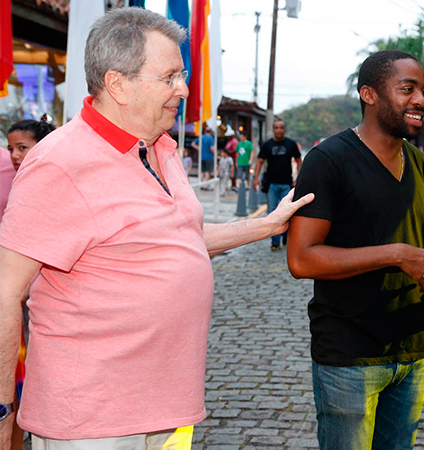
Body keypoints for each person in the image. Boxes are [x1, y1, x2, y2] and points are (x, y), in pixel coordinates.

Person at [0, 8, 313, 449]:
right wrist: (1, 409)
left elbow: (174, 242)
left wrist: (265, 226)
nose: (183, 89)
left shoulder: (160, 147)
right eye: (169, 77)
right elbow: (5, 291)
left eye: (181, 74)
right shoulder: (59, 163)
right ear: (117, 84)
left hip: (167, 408)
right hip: (94, 418)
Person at [287, 49, 424, 450]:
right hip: (350, 355)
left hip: (415, 349)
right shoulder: (328, 161)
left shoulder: (420, 163)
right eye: (408, 88)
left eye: (423, 89)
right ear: (369, 94)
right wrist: (395, 254)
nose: (421, 99)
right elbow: (301, 258)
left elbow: (415, 245)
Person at [4, 116, 55, 450]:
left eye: (23, 147)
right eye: (11, 148)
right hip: (14, 294)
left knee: (21, 379)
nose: (14, 155)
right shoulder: (16, 179)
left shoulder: (49, 180)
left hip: (33, 298)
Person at [253, 120, 302, 251]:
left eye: (281, 128)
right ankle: (275, 242)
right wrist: (255, 179)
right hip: (272, 185)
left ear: (284, 129)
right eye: (276, 128)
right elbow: (259, 161)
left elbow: (299, 160)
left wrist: (299, 178)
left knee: (287, 213)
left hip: (287, 184)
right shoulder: (267, 145)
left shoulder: (291, 144)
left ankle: (285, 237)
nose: (279, 130)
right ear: (273, 130)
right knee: (273, 213)